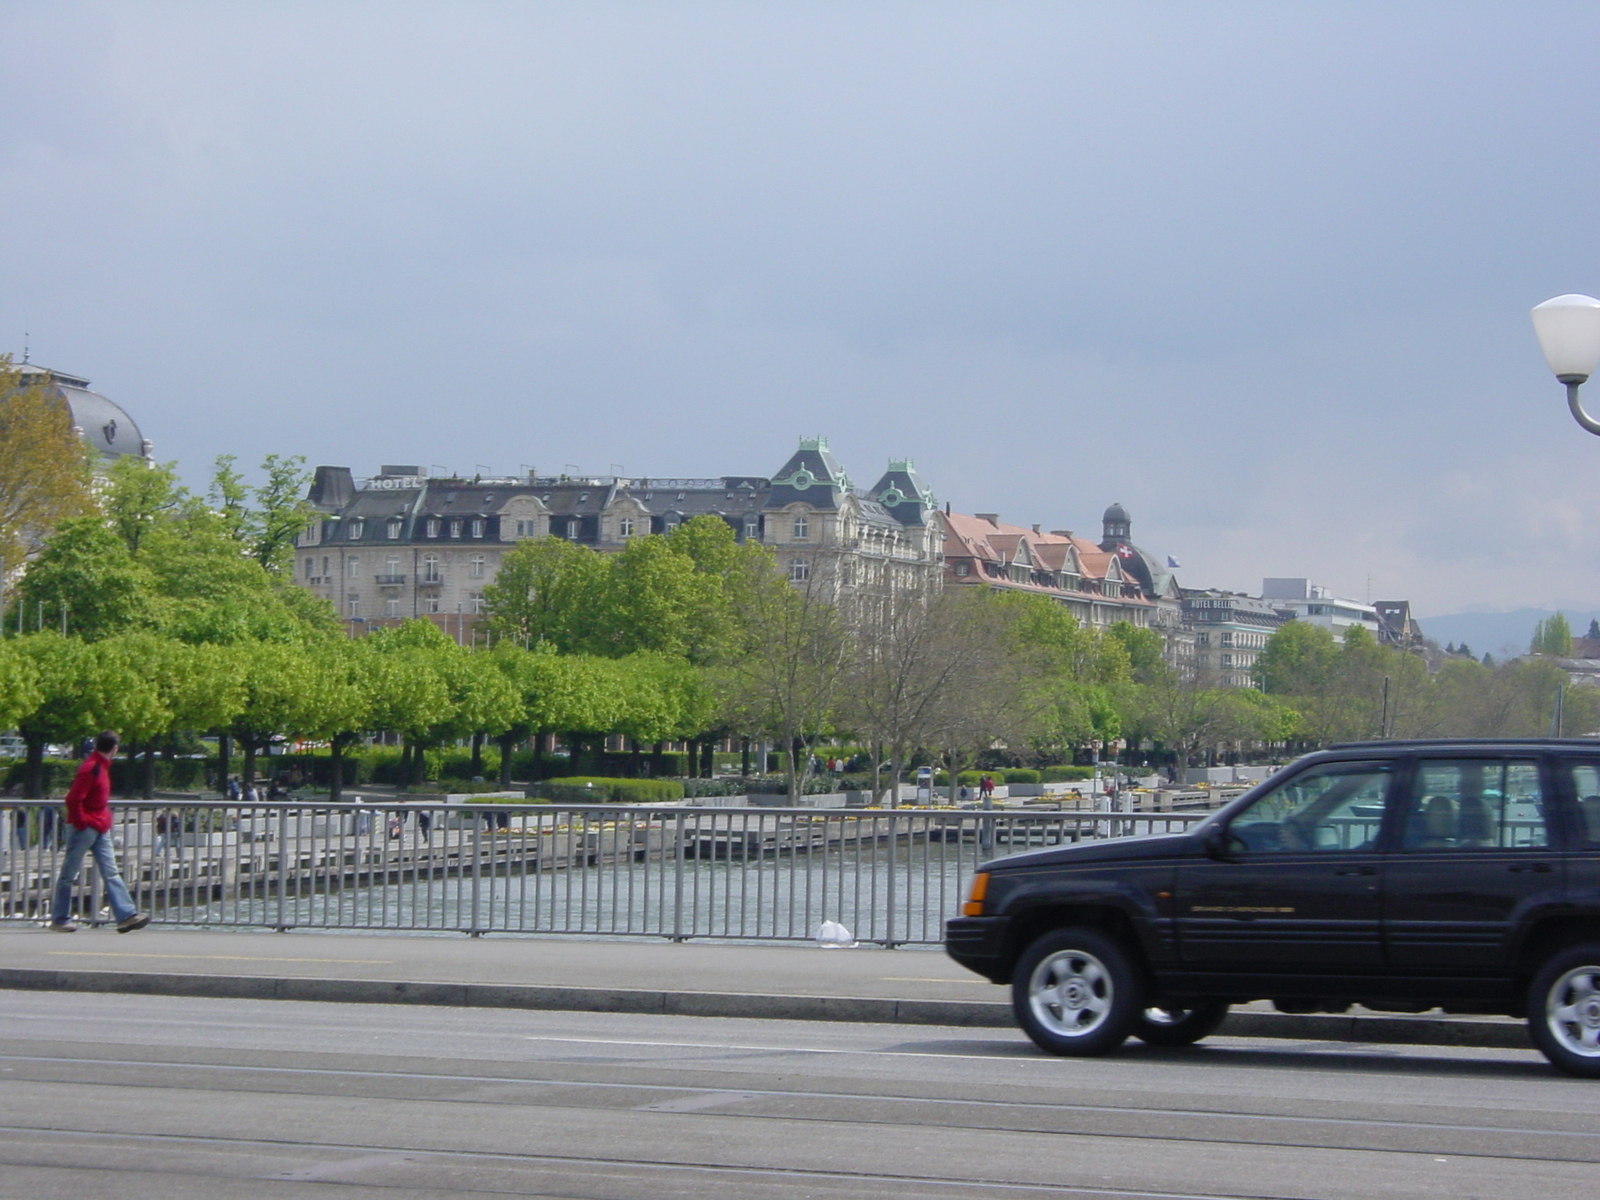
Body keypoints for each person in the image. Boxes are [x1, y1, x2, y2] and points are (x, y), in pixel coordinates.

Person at [49, 731, 149, 933]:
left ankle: (126, 916)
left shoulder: (96, 766)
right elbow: (73, 799)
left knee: (109, 871)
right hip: (88, 827)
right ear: (114, 748)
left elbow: (76, 799)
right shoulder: (92, 768)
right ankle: (60, 919)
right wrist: (82, 822)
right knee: (71, 874)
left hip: (96, 827)